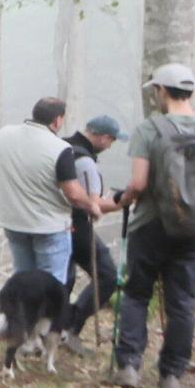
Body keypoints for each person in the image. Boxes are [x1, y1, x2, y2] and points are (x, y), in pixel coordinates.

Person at [113, 64, 195, 388]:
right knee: (182, 302)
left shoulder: (149, 129)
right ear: (191, 93)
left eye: (155, 89)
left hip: (150, 226)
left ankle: (128, 365)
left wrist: (124, 198)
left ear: (162, 92)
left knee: (137, 294)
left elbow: (138, 184)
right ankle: (171, 375)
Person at [0, 98, 110, 287]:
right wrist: (92, 205)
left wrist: (1, 201)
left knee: (23, 279)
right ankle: (48, 316)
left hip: (14, 223)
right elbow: (73, 193)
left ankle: (25, 316)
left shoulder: (2, 135)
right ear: (58, 120)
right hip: (50, 227)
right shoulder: (60, 148)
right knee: (51, 284)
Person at [58, 114, 125, 351]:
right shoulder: (84, 162)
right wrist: (124, 201)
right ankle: (70, 327)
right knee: (108, 275)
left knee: (63, 279)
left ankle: (52, 331)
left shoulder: (61, 144)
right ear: (103, 136)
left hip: (54, 224)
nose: (110, 146)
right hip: (77, 226)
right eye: (111, 140)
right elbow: (92, 205)